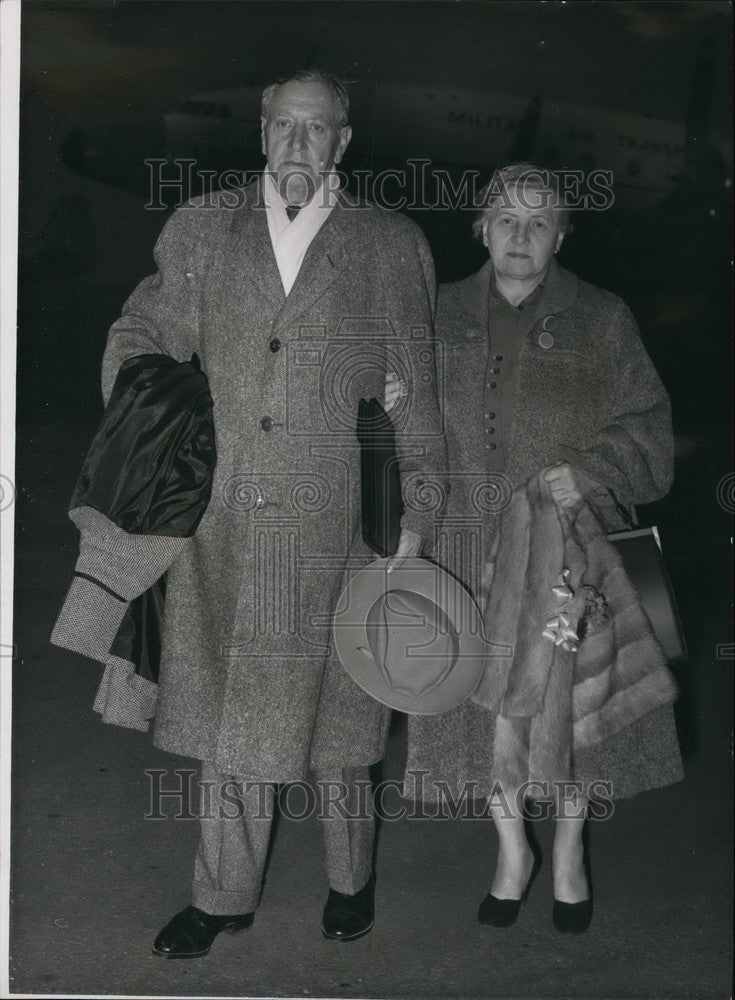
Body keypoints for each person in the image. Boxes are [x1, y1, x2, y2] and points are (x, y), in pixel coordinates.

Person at [100, 68, 444, 958]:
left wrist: (420, 512)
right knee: (232, 718)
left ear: (343, 143)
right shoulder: (201, 227)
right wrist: (159, 419)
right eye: (284, 127)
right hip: (220, 524)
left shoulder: (389, 243)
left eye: (317, 129)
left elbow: (418, 397)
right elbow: (139, 337)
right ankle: (220, 897)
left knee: (341, 726)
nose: (298, 145)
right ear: (260, 134)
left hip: (335, 530)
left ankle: (350, 880)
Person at [386, 163, 683, 933]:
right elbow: (414, 436)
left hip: (567, 544)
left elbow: (647, 426)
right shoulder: (435, 310)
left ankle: (570, 853)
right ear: (480, 226)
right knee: (490, 714)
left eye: (539, 221)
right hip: (466, 539)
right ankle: (512, 851)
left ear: (561, 234)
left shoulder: (602, 317)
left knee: (572, 706)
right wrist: (415, 520)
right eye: (506, 220)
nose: (520, 236)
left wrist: (586, 471)